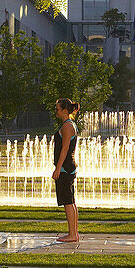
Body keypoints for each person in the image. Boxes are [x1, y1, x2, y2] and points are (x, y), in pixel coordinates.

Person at [51, 97, 81, 243]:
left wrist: (58, 168)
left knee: (68, 202)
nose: (55, 111)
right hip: (68, 166)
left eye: (57, 109)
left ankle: (72, 235)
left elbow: (65, 149)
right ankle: (74, 233)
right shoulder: (69, 124)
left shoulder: (67, 126)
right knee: (71, 201)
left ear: (64, 110)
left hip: (66, 167)